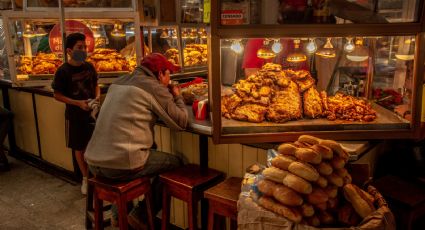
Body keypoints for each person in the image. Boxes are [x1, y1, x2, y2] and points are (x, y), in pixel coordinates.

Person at [84, 53, 188, 227]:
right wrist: (177, 96)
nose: (170, 78)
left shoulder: (119, 81)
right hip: (119, 163)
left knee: (142, 153)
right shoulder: (154, 86)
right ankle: (140, 216)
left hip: (93, 162)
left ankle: (118, 215)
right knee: (177, 164)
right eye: (169, 73)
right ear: (160, 74)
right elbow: (181, 122)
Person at [52, 33, 100, 195]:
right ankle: (86, 178)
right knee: (79, 148)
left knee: (94, 145)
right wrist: (78, 103)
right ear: (69, 50)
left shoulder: (89, 67)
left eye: (85, 47)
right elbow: (57, 95)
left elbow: (96, 85)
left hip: (92, 114)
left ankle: (97, 176)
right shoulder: (63, 71)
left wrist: (97, 98)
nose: (84, 50)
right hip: (75, 116)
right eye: (80, 48)